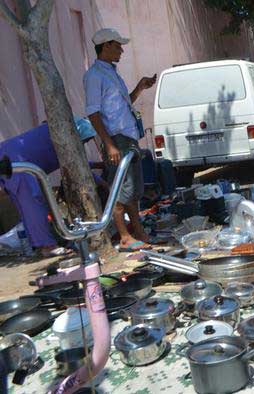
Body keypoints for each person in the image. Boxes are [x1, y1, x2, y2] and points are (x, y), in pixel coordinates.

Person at [84, 28, 157, 252]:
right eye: (117, 46)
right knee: (119, 190)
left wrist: (140, 88)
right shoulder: (94, 76)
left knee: (132, 191)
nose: (122, 50)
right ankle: (124, 237)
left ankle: (137, 231)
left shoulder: (112, 73)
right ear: (105, 46)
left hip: (128, 137)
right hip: (116, 140)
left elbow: (124, 105)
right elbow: (93, 113)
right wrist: (109, 143)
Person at [0, 118, 105, 257]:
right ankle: (47, 247)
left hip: (11, 157)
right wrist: (103, 183)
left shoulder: (59, 129)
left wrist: (97, 165)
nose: (84, 144)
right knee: (33, 204)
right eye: (85, 141)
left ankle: (40, 244)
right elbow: (76, 167)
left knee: (29, 206)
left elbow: (77, 163)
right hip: (15, 162)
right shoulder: (67, 140)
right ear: (79, 136)